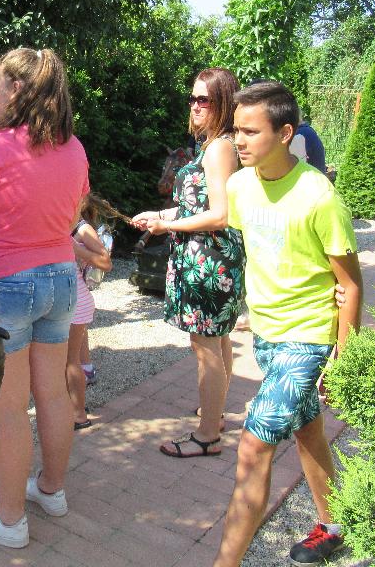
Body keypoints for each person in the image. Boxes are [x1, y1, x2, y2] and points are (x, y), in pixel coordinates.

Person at [213, 81, 362, 567]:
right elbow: (257, 250)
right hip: (267, 337)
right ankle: (335, 526)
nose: (239, 140)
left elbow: (350, 284)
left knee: (253, 447)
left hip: (307, 338)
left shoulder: (319, 196)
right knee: (308, 432)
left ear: (284, 134)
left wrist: (345, 357)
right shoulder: (240, 186)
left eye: (250, 131)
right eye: (236, 130)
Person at [0, 47, 89, 549]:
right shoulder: (73, 148)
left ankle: (9, 520)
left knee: (9, 407)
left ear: (16, 89)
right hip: (61, 278)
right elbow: (72, 213)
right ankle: (51, 490)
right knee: (52, 392)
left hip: (5, 285)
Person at [133, 68, 245, 458]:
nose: (195, 106)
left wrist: (167, 226)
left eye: (204, 100)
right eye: (193, 98)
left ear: (223, 103)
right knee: (218, 339)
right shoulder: (215, 145)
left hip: (208, 260)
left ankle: (207, 436)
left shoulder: (218, 149)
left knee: (205, 345)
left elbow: (220, 215)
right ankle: (215, 415)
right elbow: (198, 205)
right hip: (210, 256)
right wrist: (160, 214)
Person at [67, 193, 114, 431]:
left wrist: (77, 249)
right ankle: (70, 408)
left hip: (76, 302)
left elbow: (106, 262)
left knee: (69, 361)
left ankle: (78, 414)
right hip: (68, 300)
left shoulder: (82, 229)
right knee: (68, 359)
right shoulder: (64, 223)